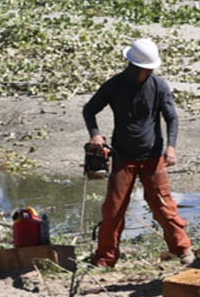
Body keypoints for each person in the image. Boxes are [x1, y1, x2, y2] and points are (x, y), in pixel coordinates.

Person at [81, 37, 192, 269]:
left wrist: (171, 147)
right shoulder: (114, 85)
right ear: (136, 67)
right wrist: (95, 134)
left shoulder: (159, 86)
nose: (150, 72)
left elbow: (171, 117)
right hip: (123, 157)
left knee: (163, 206)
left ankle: (183, 250)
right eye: (147, 69)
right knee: (113, 209)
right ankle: (105, 258)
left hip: (153, 157)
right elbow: (89, 109)